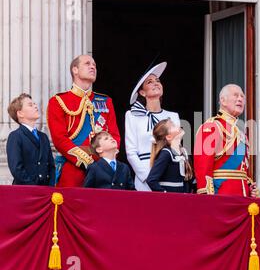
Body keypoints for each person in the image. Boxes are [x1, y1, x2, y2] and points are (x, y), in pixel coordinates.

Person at [47, 55, 121, 187]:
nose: (93, 67)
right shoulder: (58, 101)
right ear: (75, 69)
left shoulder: (105, 102)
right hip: (73, 170)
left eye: (94, 65)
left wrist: (105, 162)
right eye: (87, 64)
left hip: (104, 170)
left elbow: (115, 135)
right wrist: (87, 161)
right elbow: (59, 139)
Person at [194, 84, 258, 197]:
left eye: (242, 96)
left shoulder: (241, 131)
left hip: (243, 197)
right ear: (223, 101)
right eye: (236, 95)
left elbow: (242, 170)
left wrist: (249, 186)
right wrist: (206, 196)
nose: (240, 99)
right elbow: (203, 167)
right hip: (222, 196)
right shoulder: (212, 127)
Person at [125, 62, 180, 191]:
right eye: (149, 82)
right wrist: (148, 177)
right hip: (144, 175)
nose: (156, 83)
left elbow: (176, 149)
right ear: (142, 93)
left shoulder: (173, 116)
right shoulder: (132, 115)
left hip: (169, 174)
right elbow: (131, 152)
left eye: (158, 80)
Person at [6, 93, 55, 186]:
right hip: (25, 192)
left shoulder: (43, 137)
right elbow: (17, 169)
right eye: (30, 105)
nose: (35, 106)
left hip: (46, 192)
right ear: (20, 113)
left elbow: (51, 166)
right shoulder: (15, 136)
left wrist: (50, 187)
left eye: (34, 104)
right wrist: (33, 187)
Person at [146, 119, 194, 193]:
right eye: (173, 126)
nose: (178, 126)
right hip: (169, 201)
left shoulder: (183, 152)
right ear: (168, 137)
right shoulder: (166, 153)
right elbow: (151, 180)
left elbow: (186, 180)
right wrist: (165, 194)